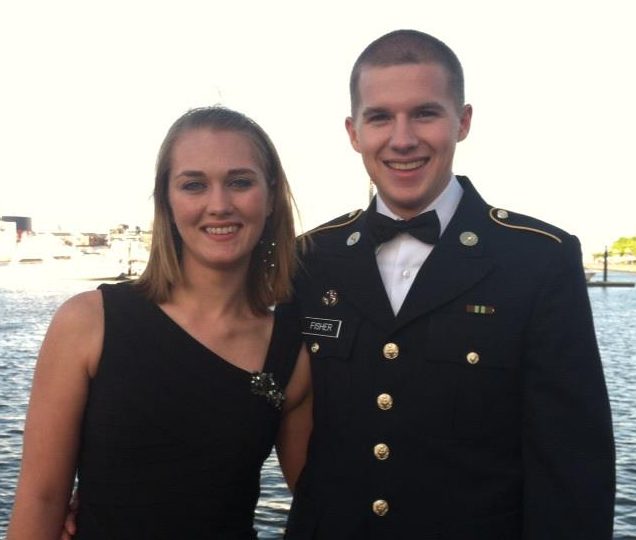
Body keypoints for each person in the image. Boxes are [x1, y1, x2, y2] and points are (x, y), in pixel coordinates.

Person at [285, 30, 615, 539]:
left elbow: (573, 466)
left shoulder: (537, 259)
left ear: (462, 122)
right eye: (380, 117)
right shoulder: (310, 258)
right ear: (353, 132)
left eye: (425, 113)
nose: (402, 138)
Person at [8, 106, 312, 539]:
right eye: (194, 185)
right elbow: (41, 498)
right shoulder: (89, 322)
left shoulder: (290, 352)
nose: (219, 205)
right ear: (166, 202)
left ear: (270, 196)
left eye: (240, 182)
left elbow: (319, 499)